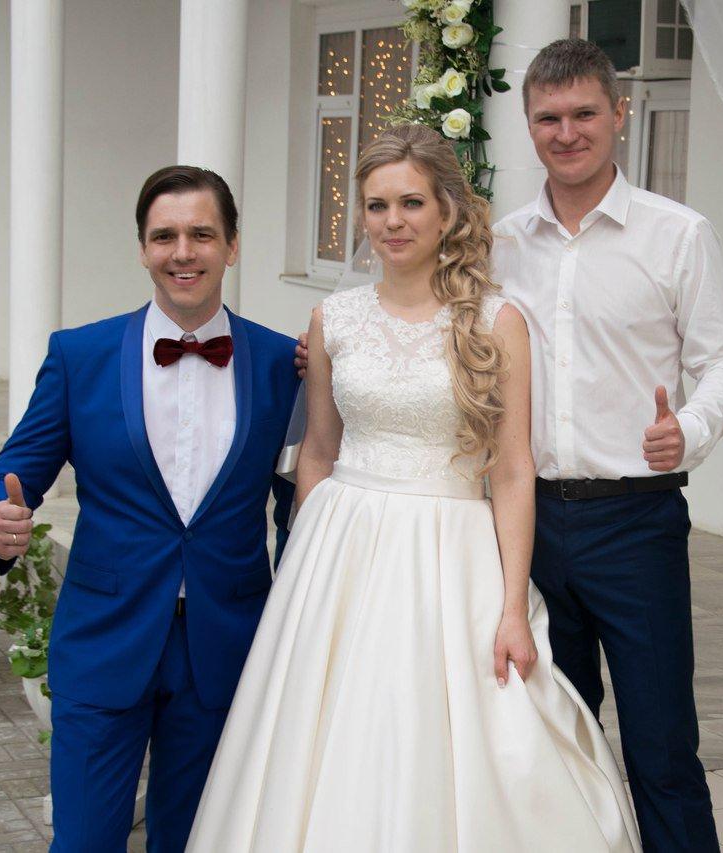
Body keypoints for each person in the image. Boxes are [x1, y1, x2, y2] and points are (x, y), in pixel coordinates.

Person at [186, 124, 640, 852]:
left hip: (451, 553)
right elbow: (319, 451)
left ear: (446, 210)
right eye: (377, 205)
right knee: (329, 734)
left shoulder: (498, 323)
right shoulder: (334, 318)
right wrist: (304, 566)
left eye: (411, 203)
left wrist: (513, 606)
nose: (392, 221)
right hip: (340, 548)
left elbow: (512, 468)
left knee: (454, 727)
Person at [0, 166, 299, 852]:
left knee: (196, 841)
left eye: (201, 234)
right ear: (143, 248)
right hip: (105, 638)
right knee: (84, 840)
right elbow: (11, 471)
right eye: (164, 236)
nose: (183, 252)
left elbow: (298, 501)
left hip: (225, 646)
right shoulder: (80, 355)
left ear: (232, 246)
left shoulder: (282, 362)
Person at [494, 40, 723, 851]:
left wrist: (689, 430)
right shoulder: (502, 245)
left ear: (619, 114)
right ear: (529, 124)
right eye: (549, 118)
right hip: (528, 526)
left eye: (584, 114)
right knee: (549, 741)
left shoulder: (678, 235)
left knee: (661, 745)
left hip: (636, 523)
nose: (567, 132)